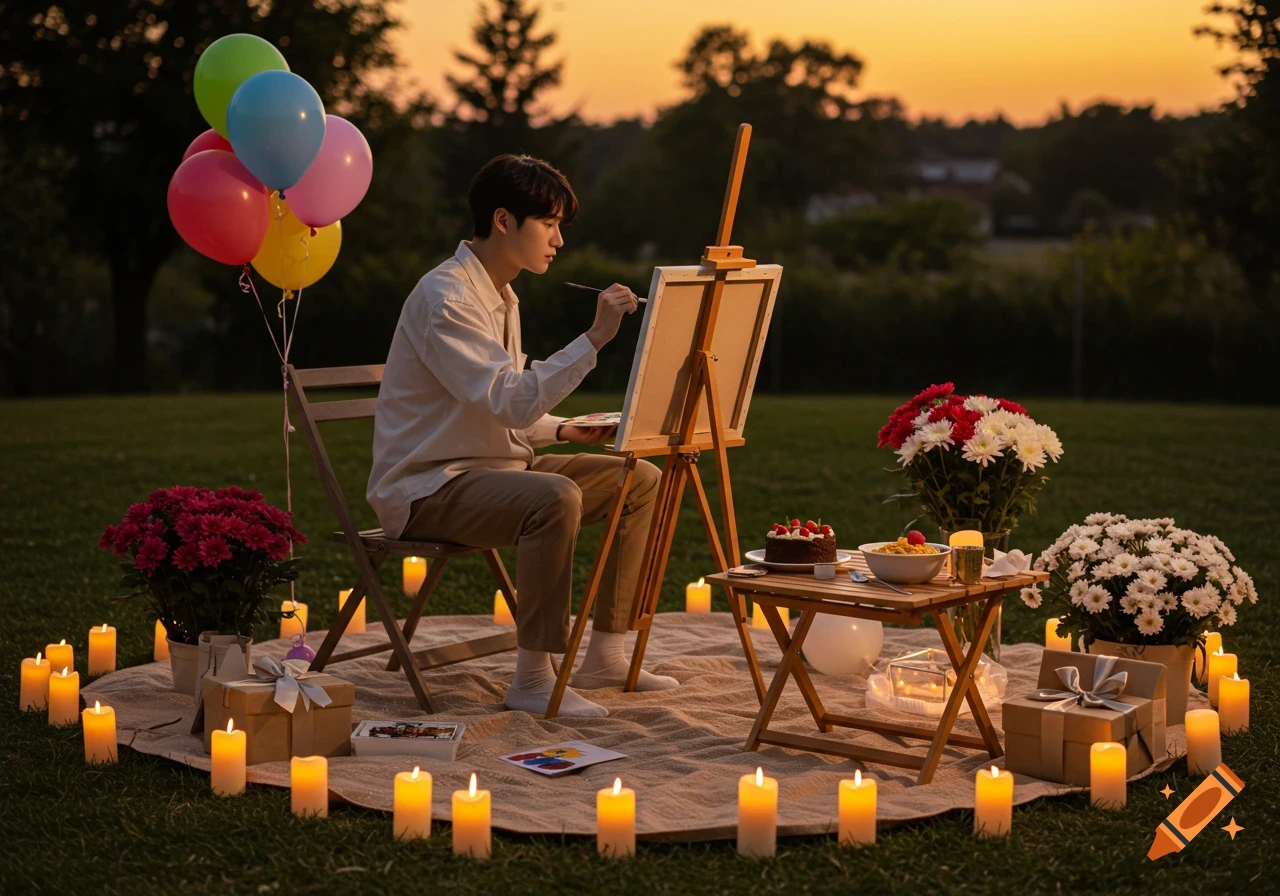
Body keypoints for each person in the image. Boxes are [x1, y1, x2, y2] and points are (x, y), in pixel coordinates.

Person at [367, 154, 677, 717]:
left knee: (641, 478)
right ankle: (533, 679)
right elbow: (510, 397)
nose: (558, 239)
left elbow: (498, 407)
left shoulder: (502, 295)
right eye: (550, 223)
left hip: (493, 469)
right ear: (505, 221)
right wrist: (596, 337)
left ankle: (607, 653)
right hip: (428, 487)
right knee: (554, 498)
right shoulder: (448, 299)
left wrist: (562, 428)